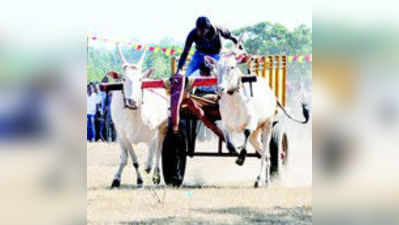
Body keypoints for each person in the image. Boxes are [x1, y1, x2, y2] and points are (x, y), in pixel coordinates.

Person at [177, 16, 238, 94]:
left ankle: (218, 92)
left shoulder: (218, 29)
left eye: (203, 30)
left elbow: (232, 38)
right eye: (199, 30)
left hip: (215, 55)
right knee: (187, 76)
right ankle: (187, 96)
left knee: (218, 75)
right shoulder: (192, 34)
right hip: (199, 54)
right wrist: (179, 69)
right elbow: (185, 52)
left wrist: (238, 46)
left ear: (208, 28)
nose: (201, 32)